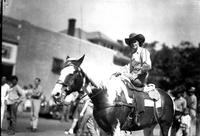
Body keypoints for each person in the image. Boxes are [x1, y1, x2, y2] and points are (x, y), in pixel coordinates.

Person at [114, 33, 152, 126]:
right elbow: (128, 67)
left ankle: (137, 115)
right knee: (118, 78)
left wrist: (136, 74)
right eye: (131, 42)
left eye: (134, 41)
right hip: (132, 77)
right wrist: (119, 71)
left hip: (140, 78)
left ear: (138, 42)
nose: (133, 44)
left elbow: (147, 65)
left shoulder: (144, 52)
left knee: (123, 78)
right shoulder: (133, 54)